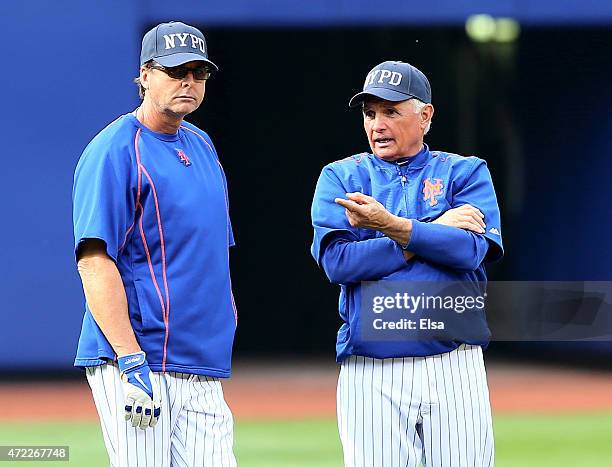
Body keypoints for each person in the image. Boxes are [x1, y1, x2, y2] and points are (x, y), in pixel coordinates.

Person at [311, 60, 504, 467]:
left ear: (425, 115)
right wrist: (427, 231)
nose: (377, 124)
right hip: (371, 369)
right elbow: (339, 263)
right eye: (370, 113)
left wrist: (387, 228)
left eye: (391, 111)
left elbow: (470, 251)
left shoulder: (464, 172)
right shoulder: (342, 177)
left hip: (453, 363)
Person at [73, 21, 237, 466]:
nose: (188, 81)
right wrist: (129, 359)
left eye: (198, 72)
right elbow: (94, 260)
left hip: (198, 361)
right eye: (174, 70)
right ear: (144, 75)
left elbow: (210, 255)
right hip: (140, 358)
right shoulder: (115, 149)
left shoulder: (201, 145)